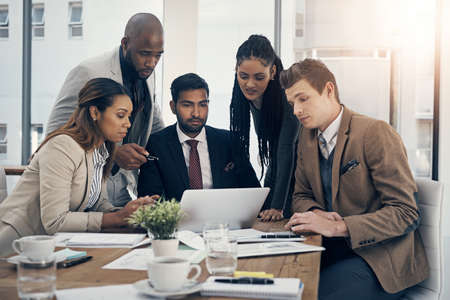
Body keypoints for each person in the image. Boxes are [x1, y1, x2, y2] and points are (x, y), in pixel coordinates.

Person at [281, 59, 429, 299]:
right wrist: (317, 213)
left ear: (329, 90)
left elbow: (406, 213)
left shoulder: (375, 132)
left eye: (303, 99)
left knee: (306, 294)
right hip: (332, 250)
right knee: (278, 283)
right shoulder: (306, 139)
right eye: (292, 103)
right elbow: (300, 196)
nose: (296, 110)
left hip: (381, 258)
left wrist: (338, 226)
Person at [0, 78, 157, 256]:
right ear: (94, 112)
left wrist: (131, 212)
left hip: (50, 248)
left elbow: (98, 204)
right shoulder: (62, 146)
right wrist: (117, 218)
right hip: (15, 247)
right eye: (121, 115)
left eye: (129, 116)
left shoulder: (101, 150)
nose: (128, 124)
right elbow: (55, 221)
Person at [46, 13, 165, 207]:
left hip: (122, 189)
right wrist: (113, 154)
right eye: (145, 54)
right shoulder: (88, 72)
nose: (152, 63)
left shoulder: (146, 73)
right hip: (81, 191)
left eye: (158, 55)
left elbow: (153, 121)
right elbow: (55, 135)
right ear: (125, 43)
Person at [138, 73, 260, 201]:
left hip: (224, 218)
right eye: (187, 105)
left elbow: (253, 191)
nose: (196, 113)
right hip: (179, 219)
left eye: (202, 104)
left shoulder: (229, 141)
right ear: (173, 107)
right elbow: (149, 199)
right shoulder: (156, 144)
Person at [230, 35, 300, 221]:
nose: (250, 84)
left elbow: (285, 151)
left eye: (259, 77)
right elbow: (275, 157)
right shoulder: (244, 96)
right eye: (243, 76)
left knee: (279, 213)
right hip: (281, 162)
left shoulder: (287, 97)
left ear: (273, 72)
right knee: (263, 211)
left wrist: (277, 207)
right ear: (236, 70)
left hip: (304, 166)